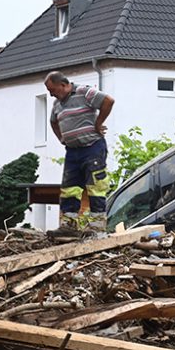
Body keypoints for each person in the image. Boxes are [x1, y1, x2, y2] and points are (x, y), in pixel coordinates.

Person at [44, 71, 115, 233]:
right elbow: (53, 122)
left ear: (63, 85)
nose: (51, 94)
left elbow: (108, 101)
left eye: (52, 90)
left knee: (95, 185)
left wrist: (99, 123)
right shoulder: (57, 104)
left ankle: (97, 226)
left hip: (92, 147)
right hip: (72, 151)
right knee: (70, 187)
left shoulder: (84, 92)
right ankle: (69, 225)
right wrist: (62, 139)